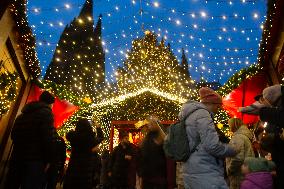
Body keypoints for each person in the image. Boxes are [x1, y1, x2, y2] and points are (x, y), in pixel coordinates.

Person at [180, 87, 238, 189]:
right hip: (205, 170)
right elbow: (211, 145)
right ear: (211, 103)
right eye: (218, 106)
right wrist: (232, 150)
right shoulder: (203, 114)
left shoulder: (188, 115)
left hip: (190, 169)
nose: (218, 110)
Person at [4, 91, 57, 189]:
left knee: (11, 184)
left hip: (17, 156)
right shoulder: (47, 114)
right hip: (35, 160)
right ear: (50, 103)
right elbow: (48, 139)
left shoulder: (23, 114)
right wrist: (49, 160)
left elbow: (13, 135)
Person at [239, 84, 284, 189]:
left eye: (263, 99)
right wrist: (265, 142)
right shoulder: (273, 112)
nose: (261, 101)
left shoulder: (274, 111)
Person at [63, 119, 104, 189]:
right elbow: (100, 137)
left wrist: (74, 130)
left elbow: (68, 135)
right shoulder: (90, 138)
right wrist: (98, 127)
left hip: (73, 168)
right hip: (85, 170)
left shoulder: (73, 137)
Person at [139, 116, 167, 189]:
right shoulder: (148, 137)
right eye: (150, 123)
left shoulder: (161, 136)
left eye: (152, 123)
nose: (149, 124)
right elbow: (142, 155)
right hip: (147, 175)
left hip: (158, 175)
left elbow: (165, 142)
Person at [226, 118, 254, 189]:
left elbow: (238, 158)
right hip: (245, 173)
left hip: (238, 175)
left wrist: (230, 169)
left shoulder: (238, 138)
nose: (229, 127)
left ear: (234, 125)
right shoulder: (244, 137)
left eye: (230, 125)